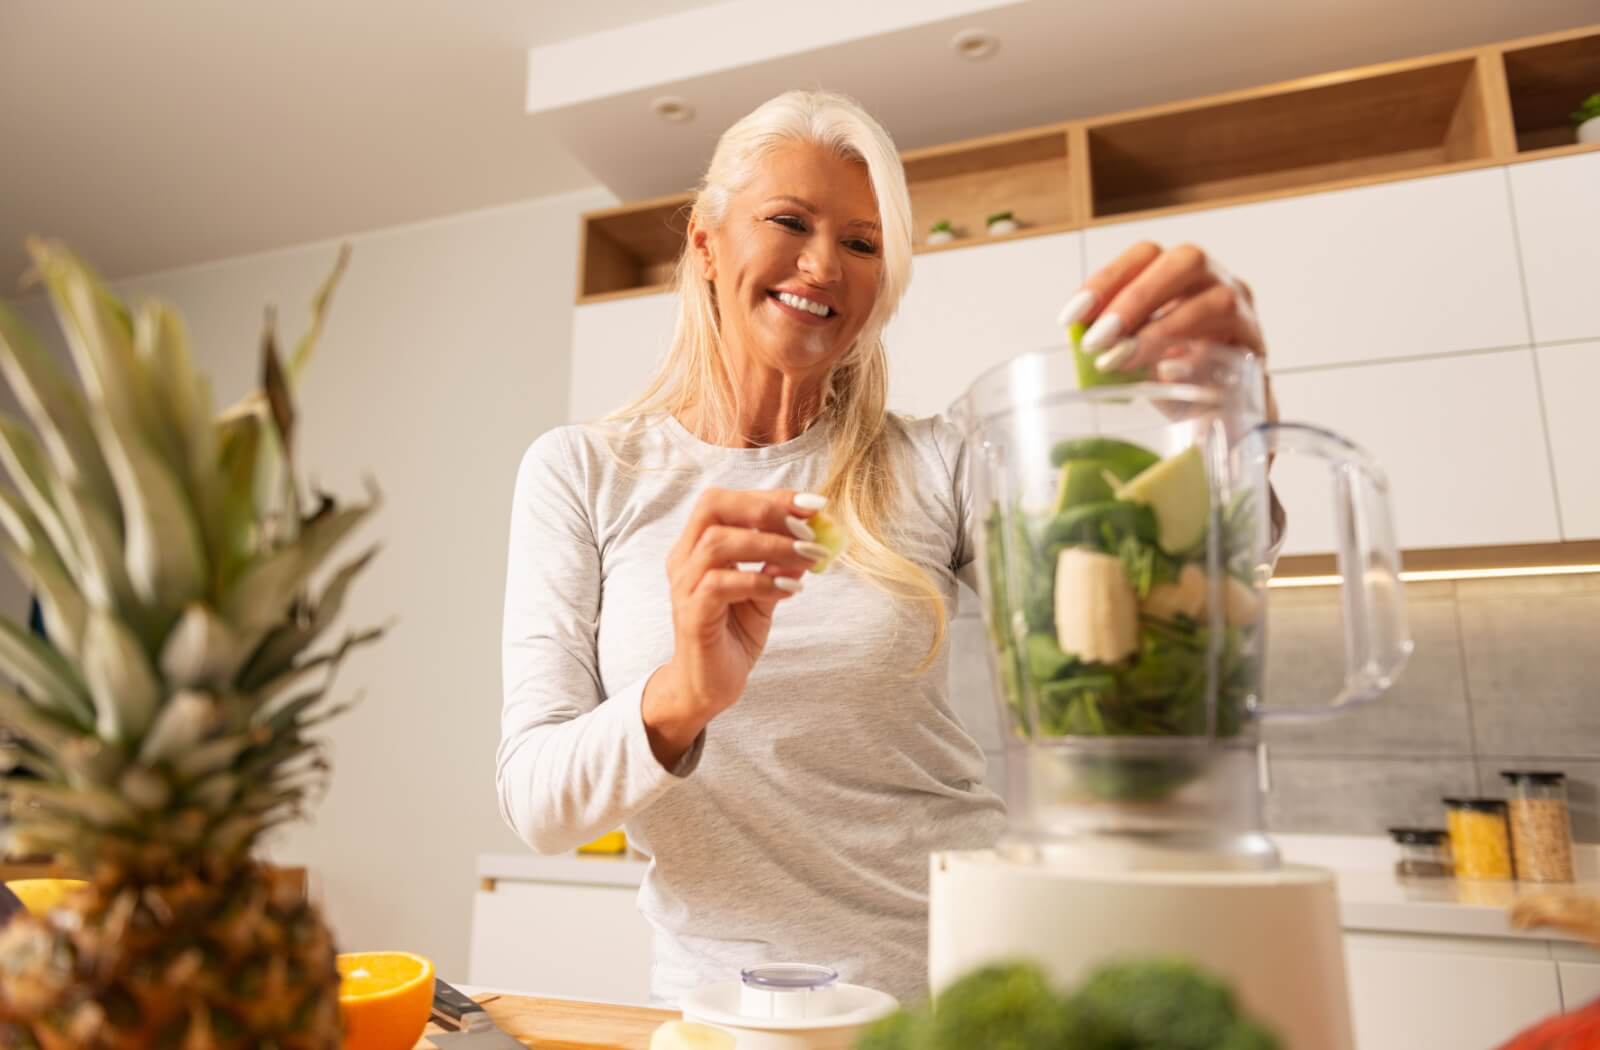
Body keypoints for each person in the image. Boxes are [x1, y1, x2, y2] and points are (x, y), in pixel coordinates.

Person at [496, 89, 1274, 1007]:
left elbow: (1163, 617)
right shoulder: (584, 472)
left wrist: (1226, 416)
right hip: (724, 1009)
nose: (825, 265)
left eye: (863, 244)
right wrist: (684, 692)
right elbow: (537, 805)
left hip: (963, 986)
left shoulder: (940, 459)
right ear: (705, 241)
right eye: (790, 221)